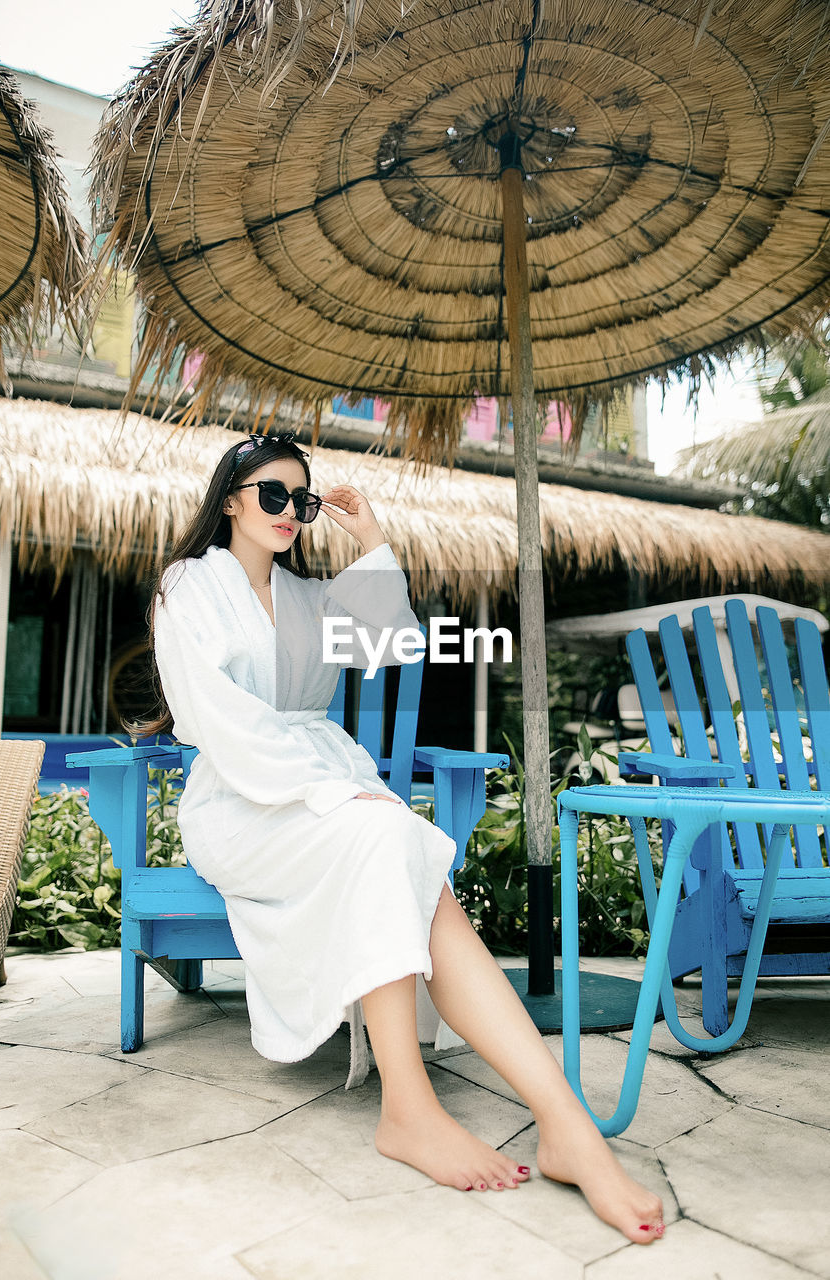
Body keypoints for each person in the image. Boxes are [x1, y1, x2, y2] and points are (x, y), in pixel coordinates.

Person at [142, 429, 666, 1244]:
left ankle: (560, 1122)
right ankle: (415, 1108)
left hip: (327, 789)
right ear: (232, 500)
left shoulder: (311, 598)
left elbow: (394, 642)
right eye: (273, 495)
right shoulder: (187, 586)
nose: (289, 512)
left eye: (302, 501)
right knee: (382, 837)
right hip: (244, 801)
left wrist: (371, 535)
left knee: (394, 850)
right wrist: (326, 789)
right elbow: (220, 718)